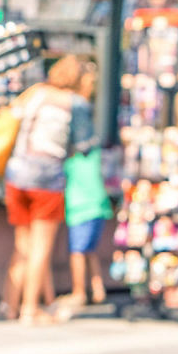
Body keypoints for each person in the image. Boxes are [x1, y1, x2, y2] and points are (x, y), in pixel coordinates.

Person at [0, 54, 99, 324]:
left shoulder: (36, 92)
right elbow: (85, 145)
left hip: (17, 173)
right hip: (47, 177)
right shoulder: (75, 104)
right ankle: (29, 309)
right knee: (40, 247)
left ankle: (9, 304)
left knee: (22, 243)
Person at [60, 61, 111, 309]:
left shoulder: (74, 106)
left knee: (79, 248)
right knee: (88, 248)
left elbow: (80, 147)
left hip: (81, 196)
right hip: (93, 195)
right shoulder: (80, 106)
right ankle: (97, 288)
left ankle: (80, 291)